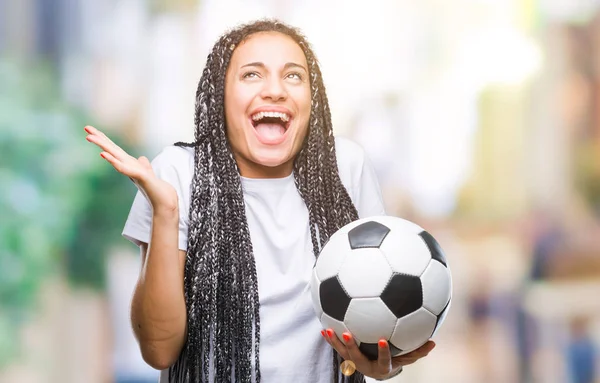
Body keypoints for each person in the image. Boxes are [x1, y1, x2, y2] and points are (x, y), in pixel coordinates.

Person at [85, 19, 435, 383]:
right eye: (252, 75)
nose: (275, 90)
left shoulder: (346, 167)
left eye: (293, 76)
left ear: (312, 99)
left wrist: (380, 362)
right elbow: (159, 350)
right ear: (221, 94)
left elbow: (373, 318)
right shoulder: (178, 172)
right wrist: (166, 213)